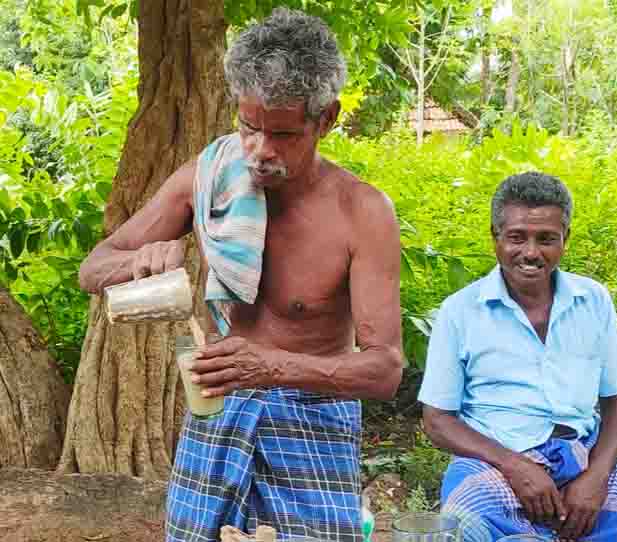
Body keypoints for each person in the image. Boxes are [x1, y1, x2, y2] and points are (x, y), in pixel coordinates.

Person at [78, 9, 403, 542]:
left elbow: (384, 370)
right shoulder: (206, 177)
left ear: (326, 120)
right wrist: (136, 263)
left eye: (282, 134)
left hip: (313, 424)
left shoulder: (362, 214)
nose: (259, 151)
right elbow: (94, 268)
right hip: (217, 414)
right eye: (248, 127)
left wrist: (269, 367)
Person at [417, 172, 617, 542]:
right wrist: (514, 464)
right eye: (517, 237)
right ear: (495, 238)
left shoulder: (592, 300)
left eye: (546, 238)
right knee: (466, 529)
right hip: (492, 464)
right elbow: (438, 420)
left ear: (566, 239)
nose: (531, 252)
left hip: (583, 461)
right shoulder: (460, 311)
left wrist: (596, 478)